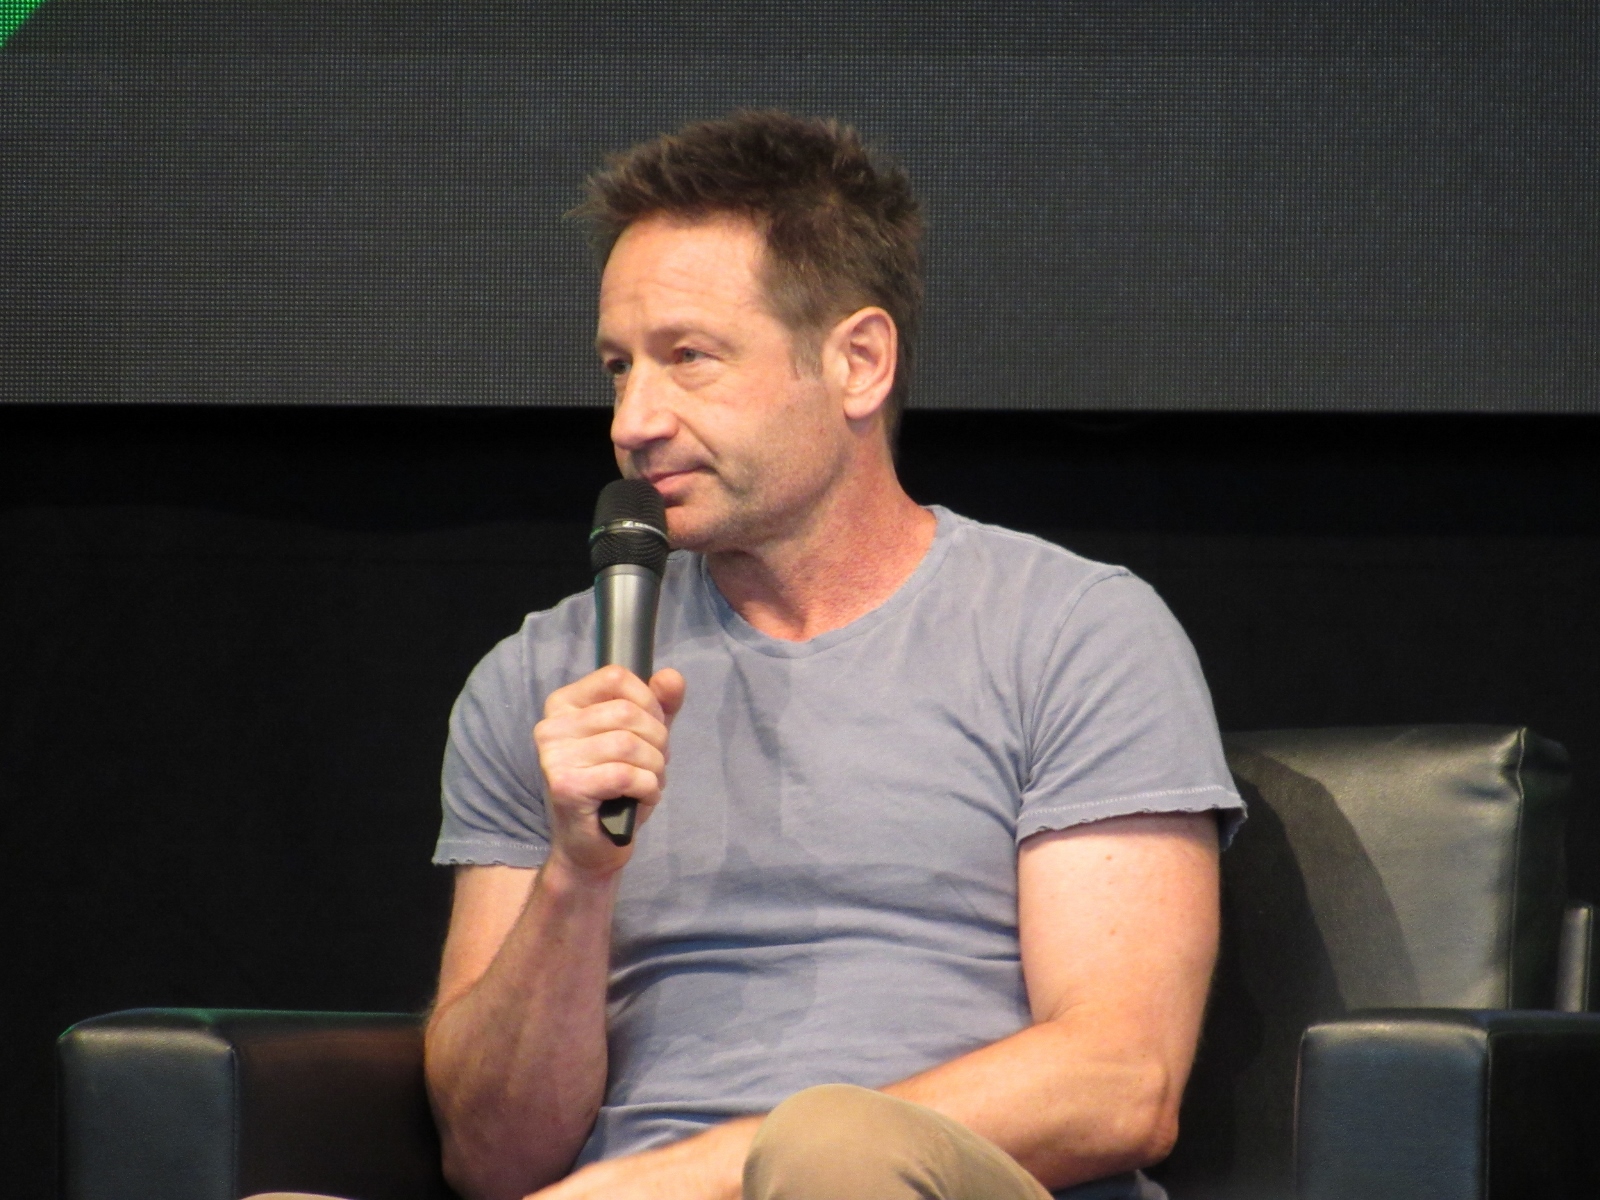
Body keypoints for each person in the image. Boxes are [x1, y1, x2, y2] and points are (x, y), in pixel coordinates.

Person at [421, 110, 1243, 1200]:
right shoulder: (543, 679)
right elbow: (493, 1160)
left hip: (898, 1182)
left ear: (858, 362)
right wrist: (577, 876)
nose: (632, 421)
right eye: (619, 368)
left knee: (832, 1152)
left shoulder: (1070, 633)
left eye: (688, 359)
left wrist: (681, 1185)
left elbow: (1119, 1082)